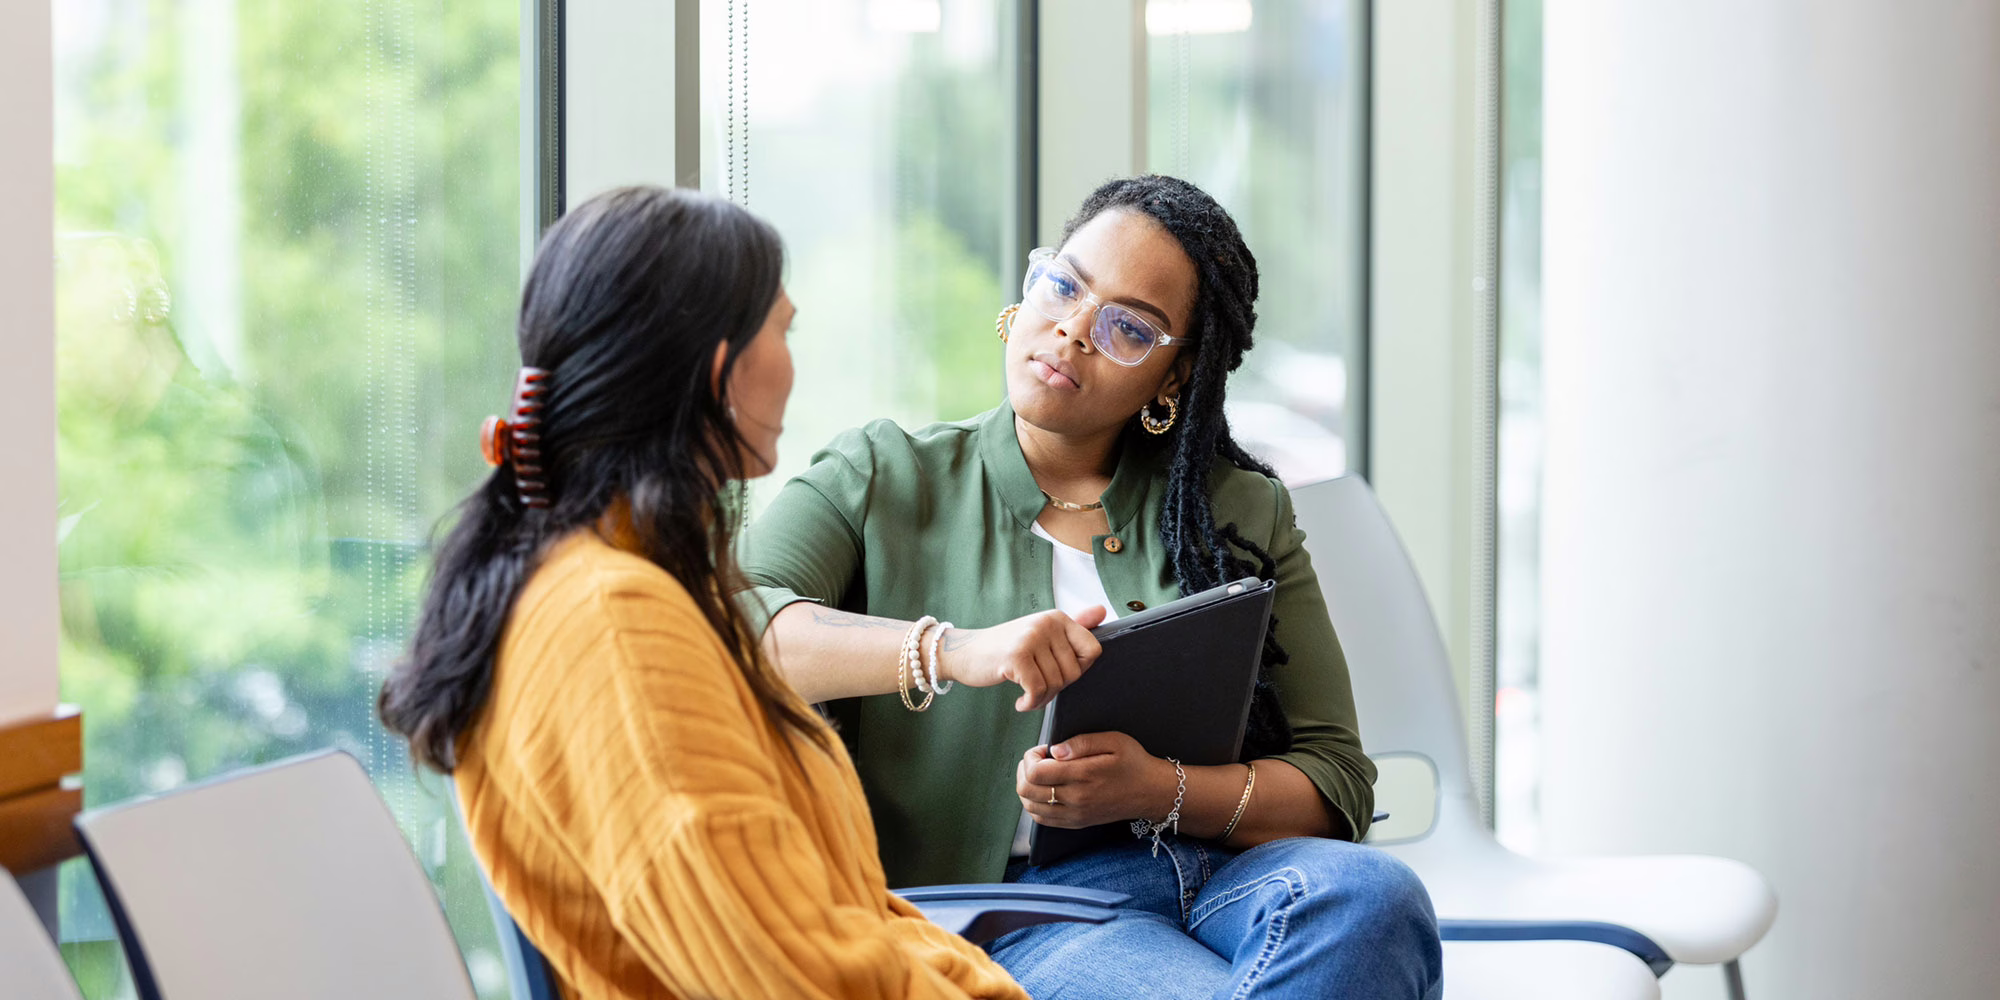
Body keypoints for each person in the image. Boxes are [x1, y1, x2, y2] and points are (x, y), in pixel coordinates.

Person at [740, 175, 1444, 999]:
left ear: (1174, 377)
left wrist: (1156, 789)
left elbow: (1335, 781)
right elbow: (732, 624)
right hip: (1024, 910)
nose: (1074, 329)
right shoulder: (883, 476)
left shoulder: (1238, 508)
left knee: (1376, 897)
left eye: (1129, 328)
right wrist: (956, 650)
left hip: (1229, 877)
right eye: (1064, 285)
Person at [378, 186, 1028, 1000]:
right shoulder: (614, 624)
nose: (793, 362)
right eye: (784, 330)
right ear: (723, 370)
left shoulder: (628, 584)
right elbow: (790, 974)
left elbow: (834, 919)